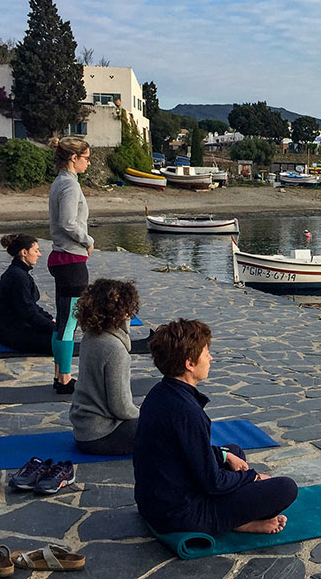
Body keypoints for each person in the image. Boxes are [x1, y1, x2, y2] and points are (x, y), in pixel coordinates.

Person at [133, 319, 297, 535]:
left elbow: (183, 451)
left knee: (233, 452)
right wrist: (253, 478)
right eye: (205, 352)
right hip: (178, 514)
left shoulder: (160, 392)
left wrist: (223, 456)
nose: (210, 358)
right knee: (285, 488)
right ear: (189, 363)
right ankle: (237, 522)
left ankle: (233, 511)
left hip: (153, 502)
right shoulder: (186, 411)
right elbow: (213, 482)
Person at [69, 279, 141, 456]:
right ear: (123, 312)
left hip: (84, 429)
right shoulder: (115, 349)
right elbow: (120, 407)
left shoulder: (91, 337)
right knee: (167, 422)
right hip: (101, 435)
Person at [47, 136, 94, 394]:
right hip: (71, 260)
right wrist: (87, 240)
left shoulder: (61, 182)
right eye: (86, 158)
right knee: (68, 324)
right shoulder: (69, 185)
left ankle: (59, 374)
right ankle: (64, 379)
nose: (88, 163)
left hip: (64, 258)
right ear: (73, 158)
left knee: (63, 321)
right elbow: (67, 222)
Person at [0, 234, 54, 355]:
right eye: (36, 251)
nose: (39, 254)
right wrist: (53, 328)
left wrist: (49, 319)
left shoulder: (20, 273)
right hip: (11, 332)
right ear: (24, 253)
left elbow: (31, 305)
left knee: (61, 338)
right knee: (59, 343)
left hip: (17, 327)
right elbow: (28, 312)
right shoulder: (17, 277)